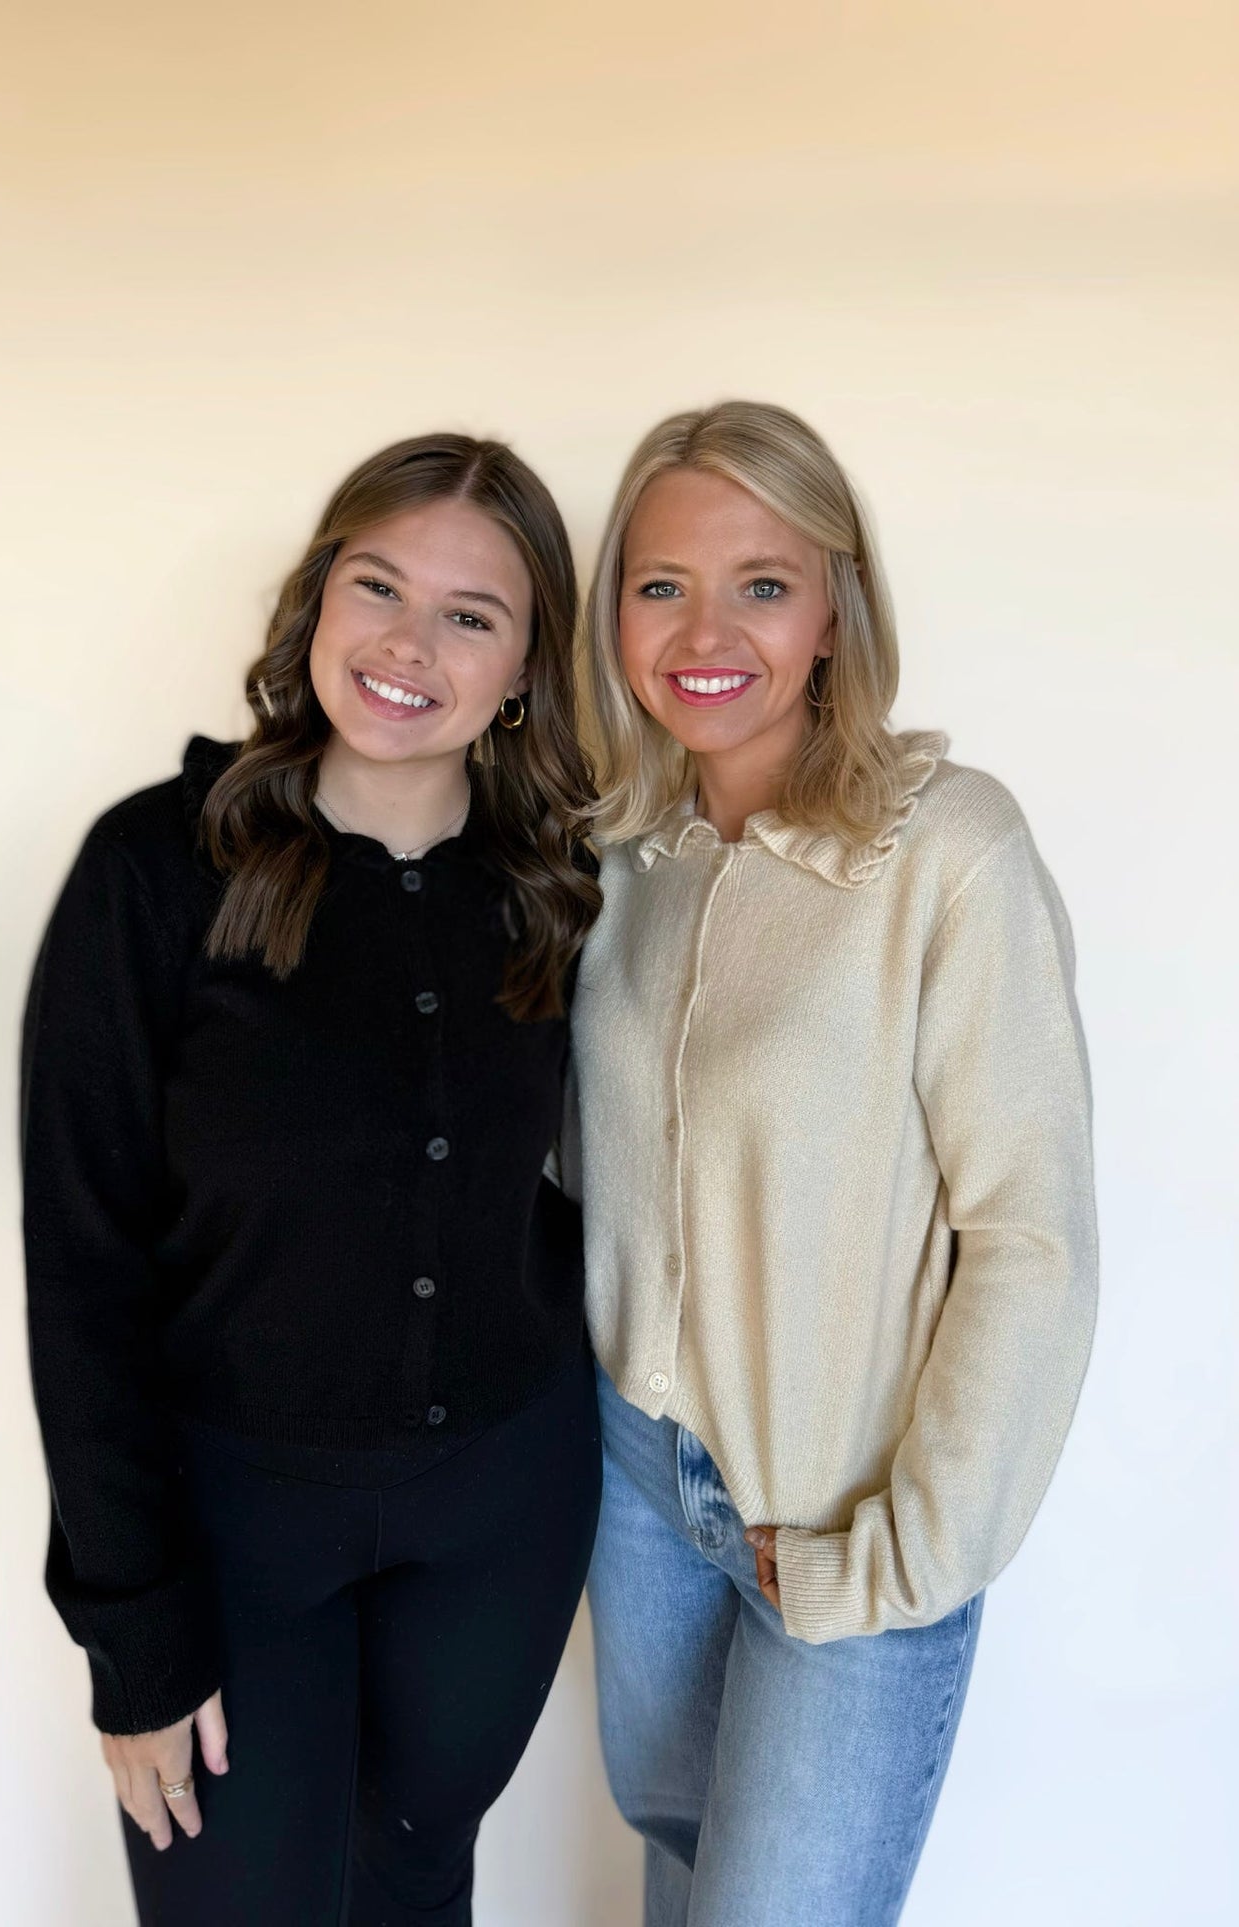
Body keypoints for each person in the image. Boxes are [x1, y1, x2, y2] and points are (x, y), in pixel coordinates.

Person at [20, 432, 603, 1926]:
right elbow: (82, 1270)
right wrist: (133, 1637)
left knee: (413, 1883)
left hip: (500, 1514)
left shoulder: (561, 890)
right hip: (233, 1527)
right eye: (378, 586)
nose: (409, 645)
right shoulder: (156, 871)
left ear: (525, 669)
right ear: (317, 599)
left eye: (470, 615)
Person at [568, 400, 1099, 1925]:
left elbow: (1029, 1240)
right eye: (660, 585)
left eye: (762, 583)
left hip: (846, 1523)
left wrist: (904, 1559)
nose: (704, 632)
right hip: (637, 1492)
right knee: (676, 1878)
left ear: (833, 610)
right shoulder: (620, 860)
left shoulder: (947, 853)